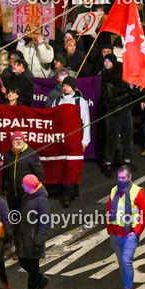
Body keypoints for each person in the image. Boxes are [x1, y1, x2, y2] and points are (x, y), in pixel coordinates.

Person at [106, 165, 145, 289]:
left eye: (123, 178)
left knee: (126, 261)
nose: (121, 180)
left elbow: (144, 214)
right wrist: (110, 230)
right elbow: (109, 211)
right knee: (121, 263)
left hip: (129, 233)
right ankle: (125, 287)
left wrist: (136, 232)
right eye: (119, 178)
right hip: (116, 233)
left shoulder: (138, 192)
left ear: (130, 177)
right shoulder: (114, 190)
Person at [54, 75, 90, 207]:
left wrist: (85, 141)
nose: (65, 87)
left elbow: (86, 122)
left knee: (73, 167)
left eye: (68, 85)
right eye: (63, 85)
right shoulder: (57, 100)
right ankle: (71, 189)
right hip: (60, 140)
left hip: (75, 140)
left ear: (73, 87)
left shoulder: (80, 101)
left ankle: (67, 194)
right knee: (62, 166)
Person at [15, 174, 49, 289]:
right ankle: (41, 280)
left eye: (24, 184)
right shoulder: (26, 197)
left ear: (30, 186)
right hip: (24, 237)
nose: (22, 186)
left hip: (34, 240)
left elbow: (44, 222)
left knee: (33, 268)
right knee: (23, 261)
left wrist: (39, 240)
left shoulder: (42, 201)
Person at [1, 131, 43, 212]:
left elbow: (39, 174)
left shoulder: (31, 154)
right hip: (11, 193)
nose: (18, 141)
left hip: (26, 193)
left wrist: (35, 190)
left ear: (24, 141)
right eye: (15, 140)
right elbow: (4, 173)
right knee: (13, 214)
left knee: (26, 215)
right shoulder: (7, 155)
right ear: (12, 142)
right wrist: (4, 188)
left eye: (20, 139)